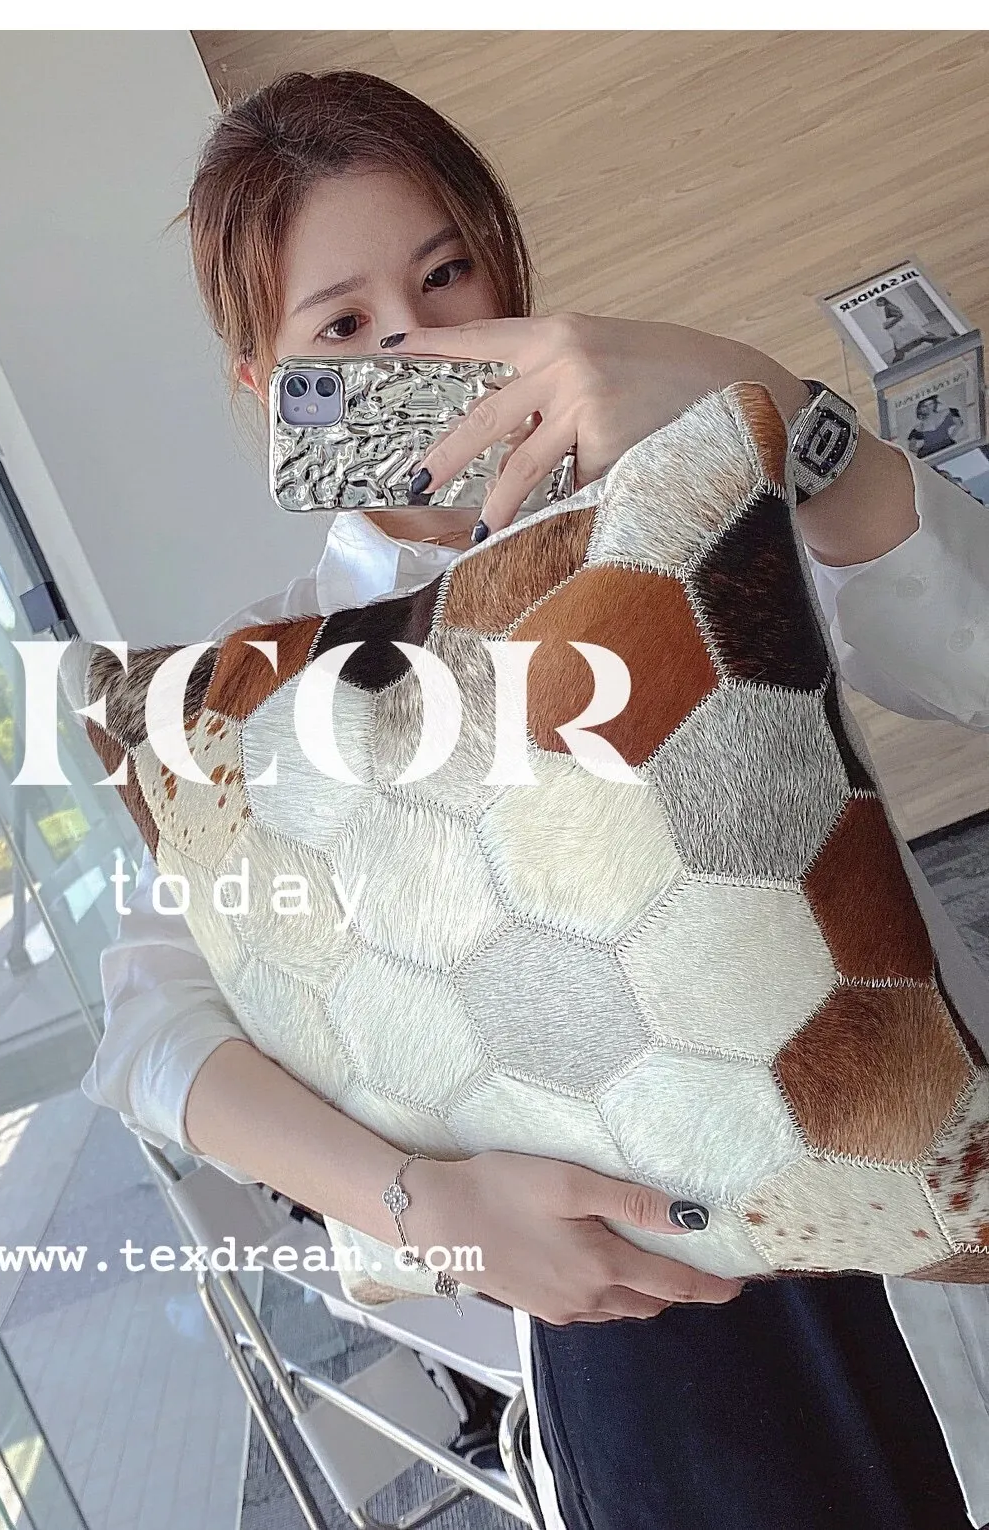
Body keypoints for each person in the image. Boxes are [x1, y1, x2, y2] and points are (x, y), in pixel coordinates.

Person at [86, 70, 989, 1529]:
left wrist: (773, 403)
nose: (421, 345)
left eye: (447, 275)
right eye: (343, 327)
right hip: (627, 1336)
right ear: (267, 385)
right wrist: (428, 1215)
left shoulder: (693, 495)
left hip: (919, 1182)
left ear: (506, 267)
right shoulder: (267, 677)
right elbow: (150, 1024)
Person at [908, 393, 966, 459]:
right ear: (920, 409)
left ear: (935, 404)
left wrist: (951, 437)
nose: (928, 408)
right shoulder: (919, 427)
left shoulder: (946, 413)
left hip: (947, 446)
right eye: (925, 406)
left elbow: (959, 423)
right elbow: (912, 447)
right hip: (928, 453)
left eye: (930, 404)